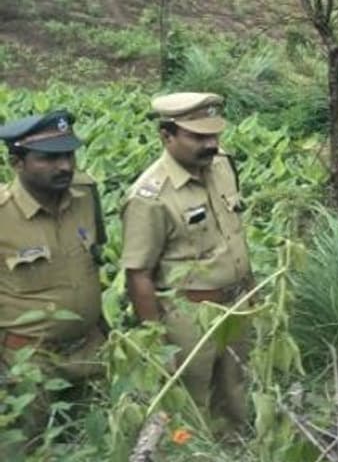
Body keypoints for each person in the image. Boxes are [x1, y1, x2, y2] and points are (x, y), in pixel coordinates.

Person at [120, 93, 252, 426]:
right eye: (198, 137)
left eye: (214, 134)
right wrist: (158, 344)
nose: (210, 144)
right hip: (190, 318)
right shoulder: (149, 197)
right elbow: (138, 275)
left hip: (238, 306)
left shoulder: (222, 165)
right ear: (166, 136)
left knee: (239, 395)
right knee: (193, 407)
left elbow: (235, 235)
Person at [0, 110, 106, 440]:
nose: (65, 166)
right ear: (17, 162)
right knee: (32, 446)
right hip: (30, 364)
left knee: (92, 441)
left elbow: (95, 261)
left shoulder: (86, 194)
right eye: (49, 158)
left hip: (90, 352)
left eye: (69, 154)